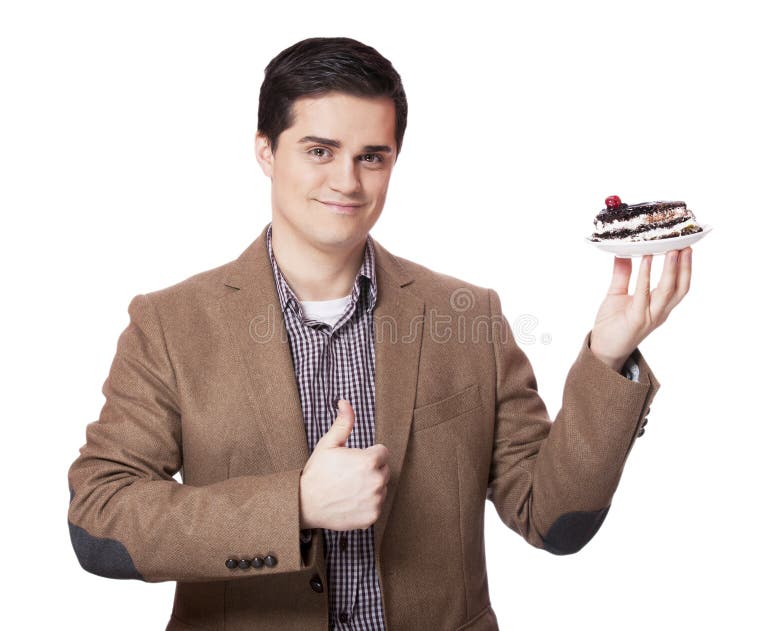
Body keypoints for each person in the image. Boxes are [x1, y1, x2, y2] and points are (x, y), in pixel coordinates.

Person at [67, 36, 692, 631]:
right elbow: (100, 520)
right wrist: (296, 508)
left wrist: (608, 358)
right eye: (319, 151)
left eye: (372, 156)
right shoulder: (171, 324)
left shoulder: (468, 316)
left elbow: (555, 522)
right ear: (265, 150)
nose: (347, 181)